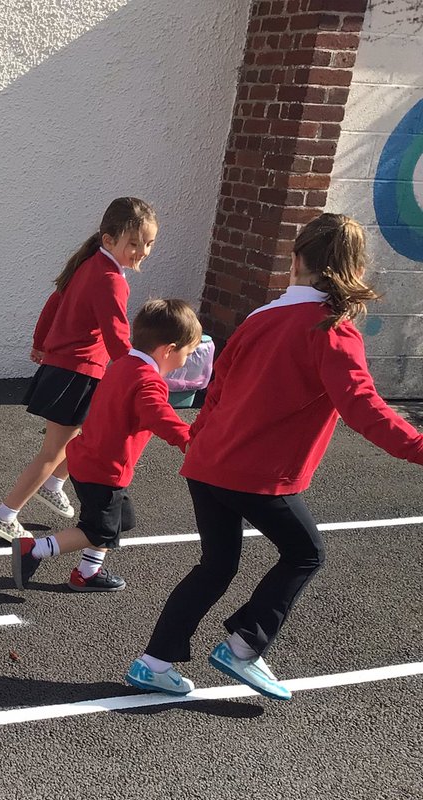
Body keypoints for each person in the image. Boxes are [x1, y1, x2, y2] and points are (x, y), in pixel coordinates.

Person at [126, 213, 423, 700]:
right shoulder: (332, 330)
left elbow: (216, 388)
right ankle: (242, 646)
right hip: (254, 474)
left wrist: (198, 438)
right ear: (352, 268)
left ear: (296, 259)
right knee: (305, 553)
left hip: (209, 463)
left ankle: (155, 661)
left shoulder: (261, 317)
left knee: (217, 565)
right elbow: (365, 409)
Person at [0, 197, 158, 542]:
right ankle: (5, 514)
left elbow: (55, 302)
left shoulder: (90, 263)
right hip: (76, 373)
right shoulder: (111, 279)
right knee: (53, 451)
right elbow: (117, 335)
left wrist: (39, 341)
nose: (142, 251)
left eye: (149, 244)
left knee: (85, 435)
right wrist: (138, 373)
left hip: (75, 371)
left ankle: (54, 483)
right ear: (109, 240)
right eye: (134, 244)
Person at [12, 298, 201, 592]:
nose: (186, 360)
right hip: (105, 470)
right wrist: (188, 440)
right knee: (96, 529)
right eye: (188, 353)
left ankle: (88, 571)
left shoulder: (123, 363)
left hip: (88, 460)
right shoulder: (148, 381)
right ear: (169, 350)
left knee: (120, 520)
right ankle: (35, 550)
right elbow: (160, 416)